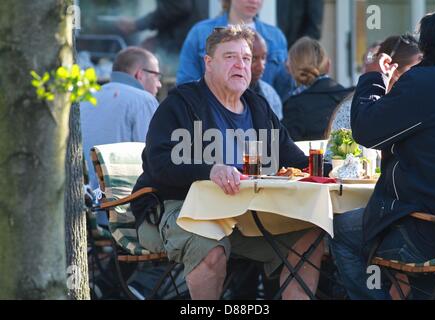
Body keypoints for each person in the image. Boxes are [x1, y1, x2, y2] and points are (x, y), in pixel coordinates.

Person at [132, 25, 325, 300]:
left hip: (244, 213)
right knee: (210, 248)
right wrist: (210, 170)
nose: (241, 65)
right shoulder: (182, 104)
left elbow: (294, 159)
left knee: (309, 238)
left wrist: (336, 167)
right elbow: (158, 164)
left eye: (246, 58)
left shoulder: (258, 107)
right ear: (208, 63)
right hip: (180, 209)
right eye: (230, 57)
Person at [330, 4, 435, 299]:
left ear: (429, 46)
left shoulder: (429, 84)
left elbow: (367, 131)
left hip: (423, 226)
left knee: (338, 230)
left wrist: (372, 76)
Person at [176, 0, 295, 102]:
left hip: (263, 121)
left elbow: (285, 92)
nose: (253, 0)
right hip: (211, 119)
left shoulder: (276, 37)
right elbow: (186, 85)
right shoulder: (199, 33)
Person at [81, 46, 161, 192]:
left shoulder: (86, 99)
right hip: (123, 204)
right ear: (140, 75)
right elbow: (153, 162)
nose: (159, 84)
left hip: (84, 197)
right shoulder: (145, 100)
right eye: (156, 76)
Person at [282, 37, 350, 141]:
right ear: (328, 65)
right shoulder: (349, 97)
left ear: (290, 68)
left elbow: (284, 150)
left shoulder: (294, 106)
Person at [117, 0, 209, 56]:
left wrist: (137, 24)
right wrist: (158, 39)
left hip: (182, 46)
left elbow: (178, 7)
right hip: (190, 40)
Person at [250, 32, 283, 120]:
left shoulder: (270, 94)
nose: (261, 66)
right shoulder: (217, 94)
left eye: (263, 57)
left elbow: (277, 131)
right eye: (253, 58)